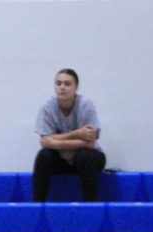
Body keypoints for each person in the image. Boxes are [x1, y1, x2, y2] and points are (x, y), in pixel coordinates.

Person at [33, 69, 105, 202]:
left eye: (67, 84)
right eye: (58, 83)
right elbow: (44, 141)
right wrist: (77, 133)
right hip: (61, 159)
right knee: (44, 155)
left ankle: (91, 207)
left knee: (84, 155)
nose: (62, 87)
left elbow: (90, 143)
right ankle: (38, 207)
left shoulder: (86, 105)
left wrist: (55, 142)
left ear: (76, 87)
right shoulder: (47, 107)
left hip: (88, 159)